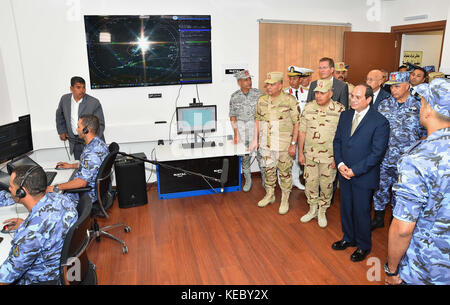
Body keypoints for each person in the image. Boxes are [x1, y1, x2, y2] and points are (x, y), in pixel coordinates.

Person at [385, 78, 450, 285]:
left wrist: (391, 269)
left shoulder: (418, 159)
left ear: (429, 110)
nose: (420, 107)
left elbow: (403, 229)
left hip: (427, 267)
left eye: (422, 102)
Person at [332, 84, 390, 262]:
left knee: (361, 211)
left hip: (364, 175)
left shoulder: (380, 121)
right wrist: (341, 164)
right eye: (352, 96)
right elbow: (338, 141)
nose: (353, 100)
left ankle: (363, 246)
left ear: (369, 100)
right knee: (346, 208)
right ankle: (348, 238)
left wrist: (355, 170)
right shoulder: (345, 115)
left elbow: (377, 153)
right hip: (344, 171)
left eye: (358, 97)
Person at [0, 165, 77, 285]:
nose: (9, 189)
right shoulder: (62, 199)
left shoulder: (30, 234)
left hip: (43, 279)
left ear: (21, 192)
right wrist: (25, 224)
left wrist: (27, 228)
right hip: (68, 269)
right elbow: (46, 229)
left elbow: (5, 277)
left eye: (11, 186)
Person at [371, 72, 427, 230]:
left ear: (408, 86)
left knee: (400, 193)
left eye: (397, 86)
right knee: (380, 188)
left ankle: (394, 222)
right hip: (384, 157)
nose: (393, 90)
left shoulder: (418, 106)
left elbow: (424, 135)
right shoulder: (384, 105)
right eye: (391, 87)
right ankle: (378, 218)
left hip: (406, 161)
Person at [248, 72, 300, 215]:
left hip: (283, 145)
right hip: (266, 144)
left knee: (284, 173)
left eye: (272, 84)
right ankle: (270, 195)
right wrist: (255, 139)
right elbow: (257, 119)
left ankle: (285, 198)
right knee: (269, 171)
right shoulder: (262, 100)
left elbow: (297, 123)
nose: (269, 87)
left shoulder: (290, 100)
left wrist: (293, 143)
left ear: (281, 85)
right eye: (267, 84)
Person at [298, 79, 345, 228]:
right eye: (316, 92)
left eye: (322, 93)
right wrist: (300, 152)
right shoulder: (308, 108)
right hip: (310, 155)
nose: (318, 96)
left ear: (330, 93)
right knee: (310, 183)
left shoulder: (339, 110)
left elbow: (343, 136)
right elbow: (302, 131)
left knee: (326, 185)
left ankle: (322, 210)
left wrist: (338, 158)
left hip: (329, 157)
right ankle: (312, 209)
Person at [47, 114, 109, 203]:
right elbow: (92, 165)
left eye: (78, 127)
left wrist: (56, 187)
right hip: (93, 190)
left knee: (49, 197)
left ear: (86, 130)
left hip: (86, 195)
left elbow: (81, 183)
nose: (76, 129)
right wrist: (72, 165)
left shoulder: (91, 153)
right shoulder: (98, 143)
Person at [229, 70, 265, 192]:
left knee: (262, 157)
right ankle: (248, 180)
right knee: (245, 158)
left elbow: (264, 114)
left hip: (258, 131)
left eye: (249, 79)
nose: (249, 82)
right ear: (239, 82)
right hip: (243, 132)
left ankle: (265, 181)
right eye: (245, 80)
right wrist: (236, 134)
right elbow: (232, 116)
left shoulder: (259, 94)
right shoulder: (234, 97)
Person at [56, 76, 106, 160]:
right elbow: (59, 115)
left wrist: (92, 141)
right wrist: (62, 131)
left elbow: (100, 124)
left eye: (84, 87)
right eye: (78, 87)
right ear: (71, 88)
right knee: (80, 165)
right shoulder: (64, 99)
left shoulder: (93, 102)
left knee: (94, 166)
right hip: (74, 140)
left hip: (90, 141)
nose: (82, 90)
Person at [283, 66, 307, 190]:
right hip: (289, 130)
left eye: (295, 79)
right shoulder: (284, 94)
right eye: (290, 79)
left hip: (302, 130)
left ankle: (296, 180)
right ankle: (283, 182)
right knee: (285, 156)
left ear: (300, 79)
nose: (292, 81)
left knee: (298, 155)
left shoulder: (307, 93)